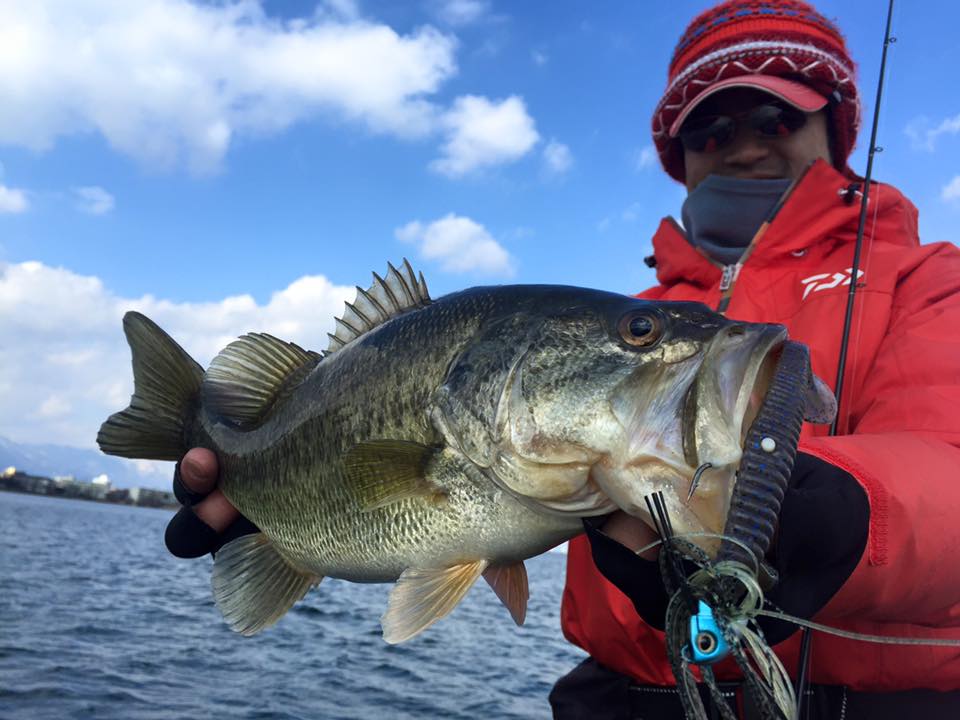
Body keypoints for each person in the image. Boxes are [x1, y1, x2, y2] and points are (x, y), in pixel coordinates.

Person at [166, 2, 960, 718]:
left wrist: (846, 518)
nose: (744, 145)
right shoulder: (625, 308)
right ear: (679, 153)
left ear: (838, 128)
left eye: (775, 116)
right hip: (610, 700)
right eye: (710, 130)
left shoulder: (928, 281)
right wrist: (267, 476)